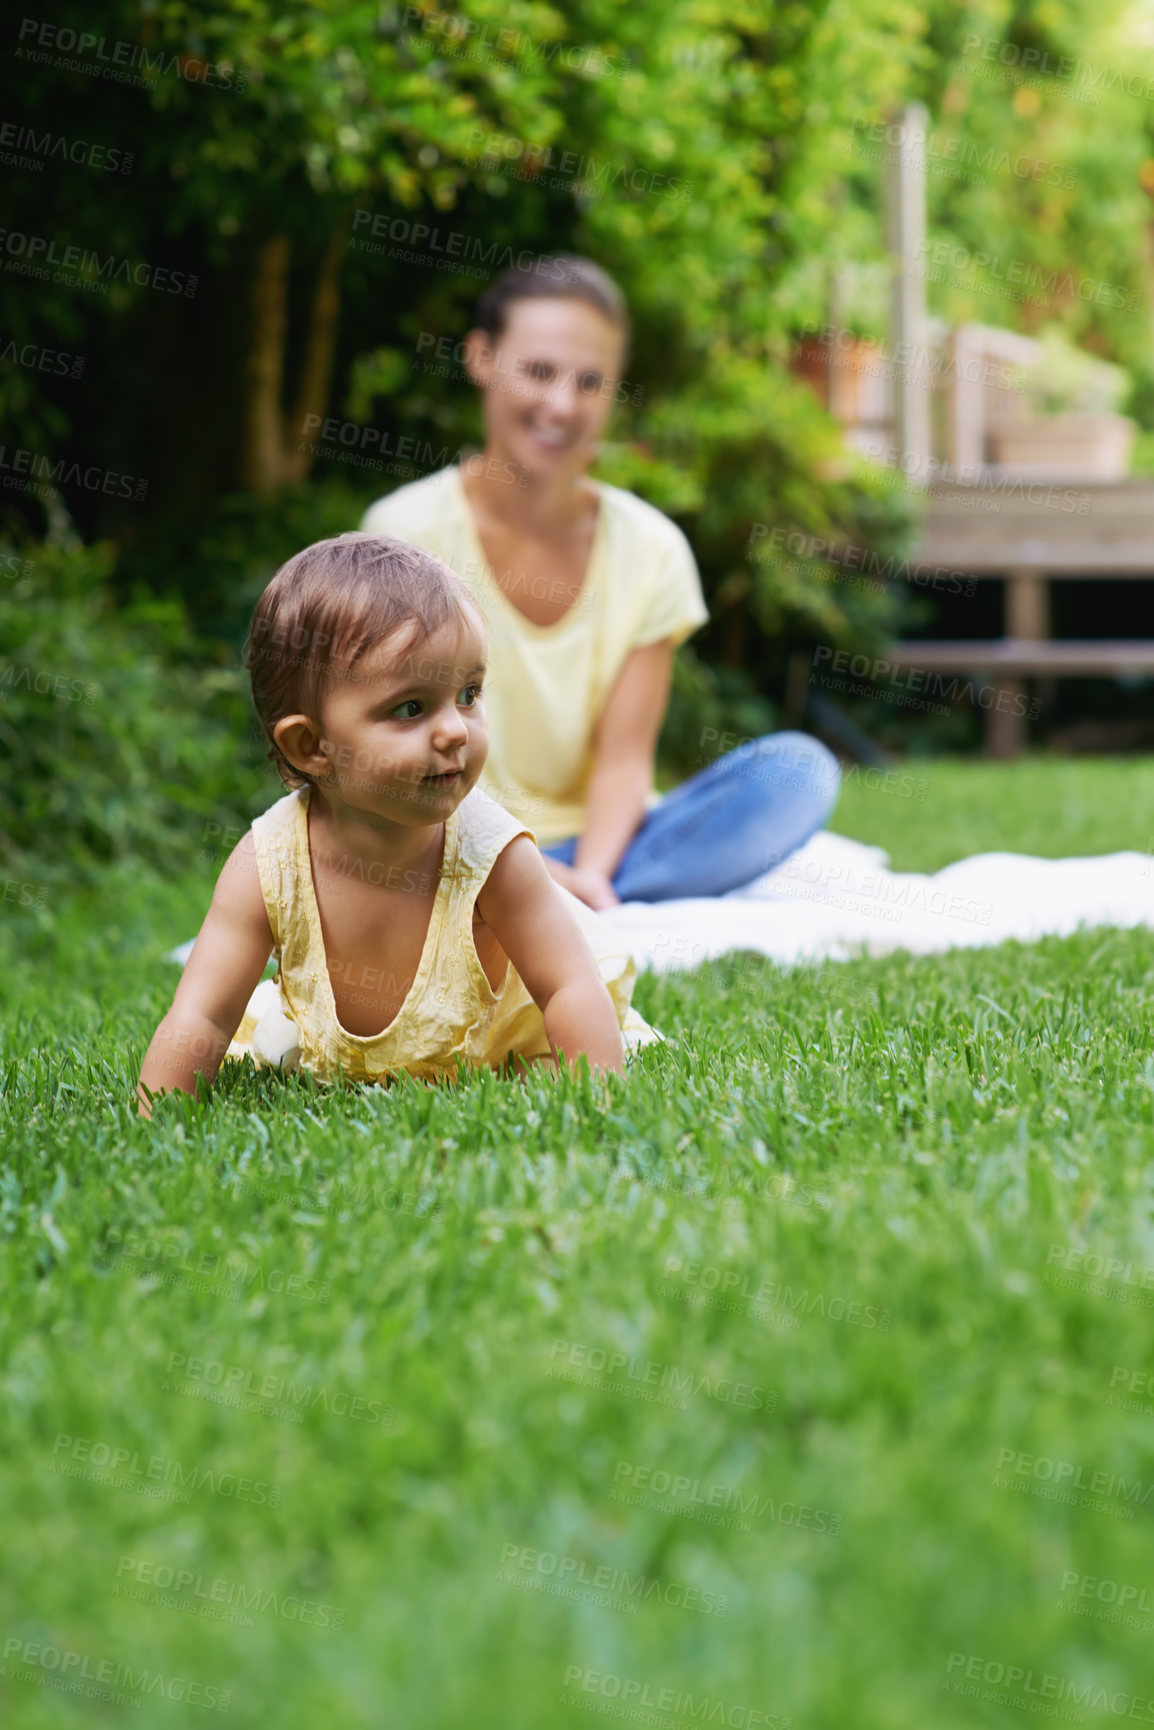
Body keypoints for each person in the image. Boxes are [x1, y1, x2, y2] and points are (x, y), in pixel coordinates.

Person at [361, 254, 840, 911]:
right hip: (447, 838)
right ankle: (517, 893)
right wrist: (511, 862)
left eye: (590, 381)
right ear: (480, 358)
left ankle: (562, 900)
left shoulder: (651, 548)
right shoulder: (402, 534)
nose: (562, 403)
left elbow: (623, 759)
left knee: (799, 773)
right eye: (539, 371)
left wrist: (589, 877)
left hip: (608, 849)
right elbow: (394, 750)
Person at [137, 534, 656, 1116]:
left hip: (502, 1044)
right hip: (360, 1048)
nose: (456, 731)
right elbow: (201, 1014)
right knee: (268, 1040)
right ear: (311, 745)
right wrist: (156, 1117)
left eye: (468, 694)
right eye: (411, 708)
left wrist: (596, 1101)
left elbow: (568, 985)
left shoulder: (491, 857)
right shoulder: (268, 864)